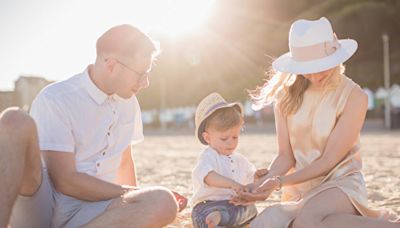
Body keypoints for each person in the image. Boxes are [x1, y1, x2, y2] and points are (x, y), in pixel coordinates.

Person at [4, 24, 181, 228]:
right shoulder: (57, 98)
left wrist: (138, 198)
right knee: (14, 120)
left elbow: (124, 162)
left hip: (93, 212)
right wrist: (131, 194)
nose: (146, 82)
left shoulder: (129, 102)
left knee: (162, 202)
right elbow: (65, 180)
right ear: (112, 65)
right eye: (140, 74)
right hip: (42, 208)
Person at [230, 17, 400, 227]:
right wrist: (262, 184)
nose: (314, 74)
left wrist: (279, 182)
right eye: (307, 67)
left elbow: (329, 160)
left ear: (335, 57)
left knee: (306, 221)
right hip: (300, 188)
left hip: (342, 185)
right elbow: (285, 157)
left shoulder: (355, 97)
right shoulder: (285, 98)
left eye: (321, 66)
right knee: (265, 223)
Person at [190, 93, 268, 228]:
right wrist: (233, 184)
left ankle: (221, 219)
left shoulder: (240, 160)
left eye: (235, 137)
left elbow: (250, 179)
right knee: (210, 214)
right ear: (208, 138)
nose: (230, 143)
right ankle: (216, 218)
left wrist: (256, 176)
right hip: (206, 207)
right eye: (224, 139)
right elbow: (209, 177)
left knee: (250, 209)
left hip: (231, 205)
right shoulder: (208, 156)